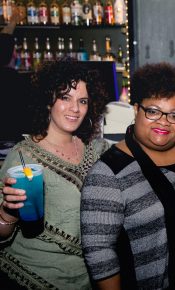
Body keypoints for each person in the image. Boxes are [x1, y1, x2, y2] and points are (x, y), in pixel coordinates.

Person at [80, 62, 175, 290]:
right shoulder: (108, 173)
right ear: (136, 110)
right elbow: (99, 253)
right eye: (153, 111)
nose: (164, 122)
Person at [0, 58, 109, 289]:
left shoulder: (96, 150)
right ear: (48, 100)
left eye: (83, 101)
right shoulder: (23, 157)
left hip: (88, 279)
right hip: (32, 276)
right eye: (65, 98)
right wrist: (8, 212)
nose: (75, 108)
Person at [0, 5, 30, 141]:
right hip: (13, 145)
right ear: (14, 55)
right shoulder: (19, 82)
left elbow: (4, 41)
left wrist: (12, 22)